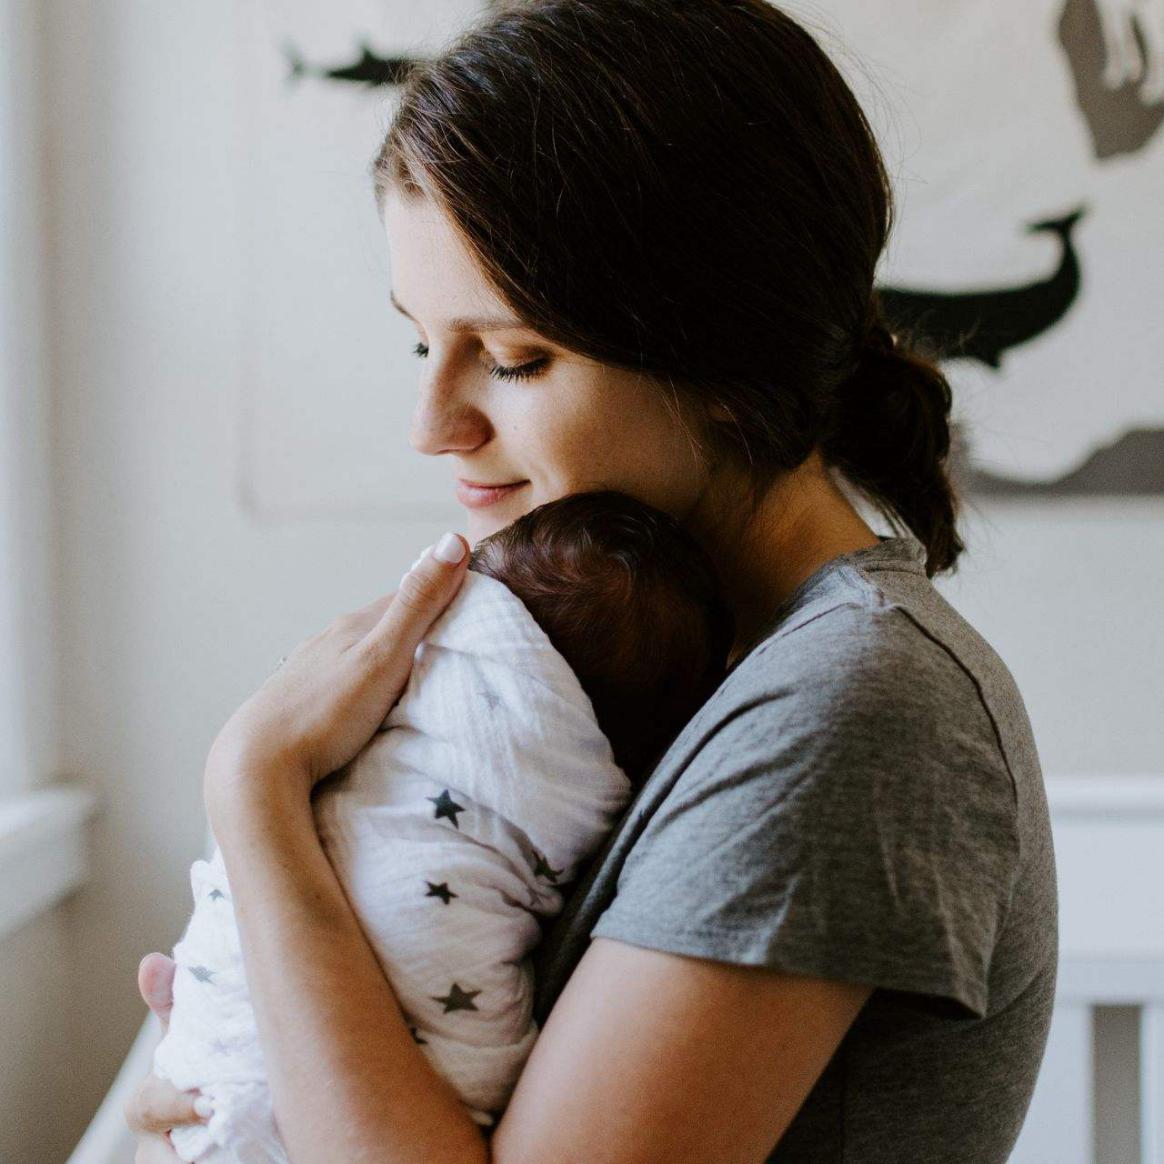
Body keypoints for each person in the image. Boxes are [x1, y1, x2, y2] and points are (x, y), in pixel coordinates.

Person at [126, 2, 1058, 1161]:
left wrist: (254, 791)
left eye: (514, 357)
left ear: (723, 354)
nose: (432, 424)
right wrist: (253, 1076)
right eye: (424, 341)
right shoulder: (661, 681)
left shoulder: (851, 711)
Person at [150, 491, 732, 1162]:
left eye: (519, 375)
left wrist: (251, 775)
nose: (433, 430)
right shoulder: (592, 771)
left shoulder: (286, 764)